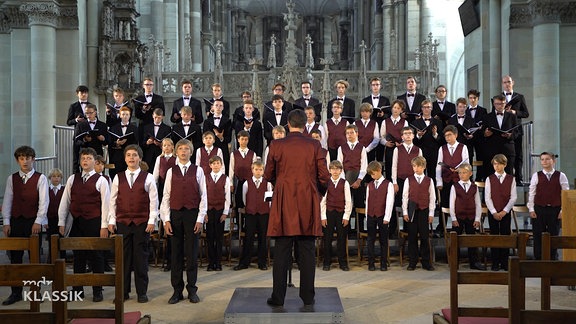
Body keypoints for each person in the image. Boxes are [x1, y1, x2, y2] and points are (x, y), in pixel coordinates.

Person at [264, 109, 330, 308]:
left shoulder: (276, 144)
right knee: (307, 250)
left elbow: (268, 174)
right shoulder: (314, 144)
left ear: (287, 124)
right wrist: (316, 193)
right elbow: (324, 177)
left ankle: (278, 297)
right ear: (305, 124)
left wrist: (281, 184)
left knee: (282, 250)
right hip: (307, 200)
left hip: (284, 200)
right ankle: (308, 297)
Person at [58, 147, 110, 302]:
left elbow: (106, 205)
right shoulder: (72, 179)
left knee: (96, 257)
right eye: (83, 159)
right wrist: (61, 221)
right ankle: (77, 290)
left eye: (88, 158)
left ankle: (97, 290)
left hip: (94, 221)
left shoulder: (101, 180)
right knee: (78, 257)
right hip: (76, 222)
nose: (85, 161)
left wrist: (104, 226)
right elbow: (65, 201)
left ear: (95, 161)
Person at [108, 145, 158, 303]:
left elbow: (153, 201)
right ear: (125, 158)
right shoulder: (118, 177)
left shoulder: (148, 177)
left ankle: (142, 292)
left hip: (141, 223)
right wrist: (111, 220)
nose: (131, 158)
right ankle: (123, 292)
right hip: (122, 222)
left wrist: (151, 221)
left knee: (140, 260)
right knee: (123, 259)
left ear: (140, 158)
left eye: (134, 155)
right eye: (128, 155)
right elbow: (113, 201)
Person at [160, 139, 207, 304]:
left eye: (186, 148)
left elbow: (204, 196)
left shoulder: (198, 170)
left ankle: (192, 290)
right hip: (175, 215)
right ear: (176, 152)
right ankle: (177, 291)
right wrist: (166, 219)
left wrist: (200, 218)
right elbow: (166, 196)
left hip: (192, 214)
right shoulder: (171, 171)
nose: (183, 151)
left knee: (192, 254)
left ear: (191, 151)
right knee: (176, 254)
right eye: (180, 148)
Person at [1, 146, 48, 305]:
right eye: (21, 158)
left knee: (34, 259)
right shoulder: (11, 178)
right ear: (17, 160)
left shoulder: (40, 178)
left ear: (33, 159)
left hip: (33, 222)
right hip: (16, 222)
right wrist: (6, 222)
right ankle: (16, 293)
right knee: (15, 258)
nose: (25, 161)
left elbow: (44, 202)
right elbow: (7, 201)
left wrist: (38, 221)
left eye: (28, 158)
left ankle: (36, 292)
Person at [527, 152, 570, 260]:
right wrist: (531, 208)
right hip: (539, 209)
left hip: (555, 210)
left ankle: (552, 259)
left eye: (547, 159)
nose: (544, 161)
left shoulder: (561, 176)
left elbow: (565, 194)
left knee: (553, 235)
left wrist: (562, 210)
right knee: (538, 235)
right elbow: (532, 193)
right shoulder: (536, 175)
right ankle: (538, 258)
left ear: (553, 161)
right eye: (542, 159)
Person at [235, 159, 273, 271]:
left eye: (260, 170)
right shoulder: (246, 183)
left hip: (263, 214)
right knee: (248, 237)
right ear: (252, 170)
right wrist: (249, 208)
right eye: (256, 169)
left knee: (263, 237)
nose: (258, 172)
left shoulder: (268, 184)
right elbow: (244, 198)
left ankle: (262, 262)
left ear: (263, 171)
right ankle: (244, 262)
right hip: (251, 214)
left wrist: (267, 210)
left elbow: (269, 200)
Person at [449, 163, 485, 270]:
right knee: (456, 240)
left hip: (471, 217)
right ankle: (454, 262)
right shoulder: (455, 186)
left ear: (470, 173)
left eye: (464, 173)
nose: (461, 175)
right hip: (458, 217)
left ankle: (474, 262)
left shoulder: (474, 187)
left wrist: (477, 218)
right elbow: (452, 204)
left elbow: (478, 204)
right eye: (459, 173)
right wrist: (454, 218)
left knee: (471, 240)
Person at [402, 156, 435, 271]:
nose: (416, 168)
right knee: (412, 237)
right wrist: (405, 212)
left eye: (419, 166)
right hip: (412, 211)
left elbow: (432, 198)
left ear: (424, 167)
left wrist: (431, 213)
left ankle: (426, 262)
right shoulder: (408, 180)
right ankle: (412, 262)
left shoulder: (429, 180)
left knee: (424, 237)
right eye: (414, 166)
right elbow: (405, 197)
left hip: (424, 210)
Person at [484, 154, 517, 271]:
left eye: (499, 164)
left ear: (505, 164)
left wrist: (504, 211)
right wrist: (493, 212)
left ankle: (504, 262)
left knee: (505, 236)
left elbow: (513, 197)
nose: (496, 166)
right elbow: (487, 198)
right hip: (493, 212)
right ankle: (495, 262)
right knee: (494, 236)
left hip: (505, 212)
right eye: (495, 164)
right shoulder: (489, 179)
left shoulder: (511, 179)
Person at [320, 160, 352, 271]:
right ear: (329, 170)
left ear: (341, 171)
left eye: (337, 169)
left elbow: (348, 201)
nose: (335, 171)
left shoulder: (345, 183)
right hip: (329, 213)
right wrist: (323, 216)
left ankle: (342, 263)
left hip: (341, 213)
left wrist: (346, 216)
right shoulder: (326, 183)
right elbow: (322, 201)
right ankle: (326, 262)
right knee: (327, 238)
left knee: (341, 238)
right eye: (333, 169)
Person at [391, 127, 422, 236]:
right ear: (402, 136)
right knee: (398, 204)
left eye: (410, 133)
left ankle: (408, 229)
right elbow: (394, 166)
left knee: (411, 204)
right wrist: (394, 182)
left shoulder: (418, 150)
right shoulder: (397, 149)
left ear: (413, 136)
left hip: (413, 181)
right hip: (400, 180)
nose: (408, 135)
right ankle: (393, 230)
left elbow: (421, 166)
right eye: (405, 134)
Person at [152, 138, 176, 272]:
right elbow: (155, 176)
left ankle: (174, 260)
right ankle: (166, 259)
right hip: (162, 190)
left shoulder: (175, 159)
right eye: (164, 146)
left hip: (174, 190)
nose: (166, 148)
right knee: (165, 227)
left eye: (168, 145)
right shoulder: (159, 159)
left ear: (172, 147)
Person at [365, 161, 394, 271]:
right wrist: (368, 216)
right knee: (370, 240)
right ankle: (371, 263)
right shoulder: (370, 185)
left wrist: (387, 217)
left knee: (383, 240)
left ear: (379, 170)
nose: (372, 176)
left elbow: (389, 201)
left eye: (374, 174)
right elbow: (367, 201)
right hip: (371, 215)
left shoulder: (388, 184)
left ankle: (383, 263)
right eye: (371, 175)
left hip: (382, 215)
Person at [205, 156, 231, 271]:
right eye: (213, 163)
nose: (215, 165)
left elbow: (227, 197)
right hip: (209, 210)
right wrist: (204, 212)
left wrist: (225, 212)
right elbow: (203, 196)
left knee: (219, 237)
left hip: (220, 210)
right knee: (210, 237)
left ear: (221, 165)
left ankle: (218, 262)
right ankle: (211, 262)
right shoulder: (205, 178)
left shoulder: (225, 178)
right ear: (210, 165)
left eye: (218, 163)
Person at [502, 75, 530, 184]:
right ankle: (506, 178)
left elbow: (526, 113)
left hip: (516, 130)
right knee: (505, 154)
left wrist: (515, 112)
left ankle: (519, 178)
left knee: (518, 154)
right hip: (503, 130)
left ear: (513, 82)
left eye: (508, 82)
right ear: (502, 84)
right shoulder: (498, 97)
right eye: (504, 82)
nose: (507, 84)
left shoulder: (519, 96)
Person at [481, 94, 518, 176]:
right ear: (494, 104)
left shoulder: (512, 116)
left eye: (502, 104)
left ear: (505, 104)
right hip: (492, 150)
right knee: (491, 176)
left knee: (508, 176)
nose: (500, 106)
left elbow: (517, 132)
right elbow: (482, 132)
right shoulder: (487, 117)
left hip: (507, 149)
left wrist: (510, 135)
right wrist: (485, 133)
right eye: (498, 104)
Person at [337, 124, 368, 213]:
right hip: (346, 177)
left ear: (356, 133)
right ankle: (347, 226)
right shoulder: (341, 148)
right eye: (347, 133)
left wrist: (359, 180)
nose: (349, 135)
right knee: (347, 203)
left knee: (360, 203)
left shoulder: (362, 148)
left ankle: (360, 226)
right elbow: (340, 165)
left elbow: (364, 166)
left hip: (359, 178)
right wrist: (345, 181)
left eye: (351, 133)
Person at [412, 100, 443, 181]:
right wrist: (418, 135)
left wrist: (435, 134)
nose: (426, 109)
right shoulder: (415, 123)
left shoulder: (438, 122)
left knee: (433, 176)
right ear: (421, 109)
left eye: (428, 107)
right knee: (419, 176)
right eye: (424, 107)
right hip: (420, 153)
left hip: (434, 153)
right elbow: (413, 141)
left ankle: (433, 193)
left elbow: (442, 141)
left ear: (431, 108)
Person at [73, 103, 108, 173]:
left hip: (98, 153)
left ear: (95, 112)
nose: (88, 115)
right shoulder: (80, 125)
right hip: (85, 153)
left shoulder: (102, 125)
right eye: (86, 113)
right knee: (86, 174)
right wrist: (84, 140)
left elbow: (107, 141)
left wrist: (103, 139)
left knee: (98, 174)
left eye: (90, 113)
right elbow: (76, 140)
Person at [380, 100, 409, 180]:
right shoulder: (385, 122)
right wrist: (386, 143)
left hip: (400, 149)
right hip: (389, 149)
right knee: (389, 169)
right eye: (394, 107)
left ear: (401, 110)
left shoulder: (404, 122)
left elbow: (406, 136)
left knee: (399, 168)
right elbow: (381, 137)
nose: (396, 110)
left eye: (398, 108)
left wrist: (402, 143)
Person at [108, 106, 139, 179]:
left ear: (130, 115)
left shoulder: (134, 128)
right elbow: (110, 142)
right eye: (123, 114)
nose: (125, 116)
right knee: (117, 177)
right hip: (117, 157)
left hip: (130, 157)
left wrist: (127, 142)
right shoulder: (114, 128)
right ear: (120, 115)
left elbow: (136, 142)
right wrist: (117, 143)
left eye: (127, 114)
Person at [229, 130, 258, 208]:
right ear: (238, 140)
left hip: (249, 181)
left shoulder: (252, 154)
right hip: (238, 181)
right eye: (242, 139)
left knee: (249, 201)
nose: (244, 141)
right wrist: (231, 183)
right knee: (238, 202)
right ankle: (239, 220)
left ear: (248, 140)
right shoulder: (234, 154)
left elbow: (254, 169)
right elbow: (231, 169)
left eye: (246, 139)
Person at [203, 99, 233, 171]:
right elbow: (204, 136)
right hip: (210, 149)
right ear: (212, 107)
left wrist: (221, 137)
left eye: (220, 106)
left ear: (223, 108)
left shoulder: (228, 121)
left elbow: (229, 138)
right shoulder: (207, 122)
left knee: (224, 169)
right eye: (216, 105)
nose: (218, 107)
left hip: (223, 149)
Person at [465, 89, 488, 180]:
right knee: (468, 157)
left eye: (474, 98)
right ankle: (469, 177)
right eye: (470, 98)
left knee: (480, 157)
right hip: (468, 138)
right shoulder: (465, 111)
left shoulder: (483, 110)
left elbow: (484, 124)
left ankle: (479, 177)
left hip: (479, 137)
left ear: (478, 98)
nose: (472, 100)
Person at [141, 108, 172, 172]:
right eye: (155, 117)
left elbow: (169, 142)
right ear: (152, 115)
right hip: (149, 155)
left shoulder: (167, 128)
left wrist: (160, 144)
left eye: (159, 117)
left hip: (160, 154)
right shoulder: (146, 127)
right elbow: (142, 143)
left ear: (162, 117)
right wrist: (147, 142)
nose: (157, 119)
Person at [46, 168, 65, 263]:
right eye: (54, 176)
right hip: (50, 219)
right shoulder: (46, 190)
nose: (56, 178)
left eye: (58, 176)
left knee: (62, 240)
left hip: (61, 220)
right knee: (51, 239)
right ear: (50, 178)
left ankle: (62, 259)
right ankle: (51, 260)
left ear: (61, 178)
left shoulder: (64, 190)